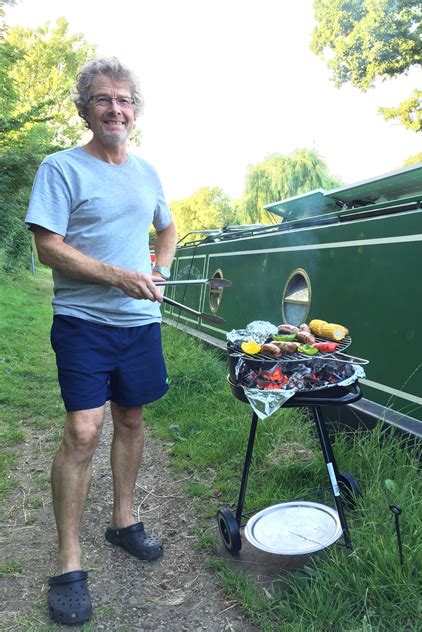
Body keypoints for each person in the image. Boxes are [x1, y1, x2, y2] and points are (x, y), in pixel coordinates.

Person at [25, 57, 177, 625]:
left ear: (135, 111)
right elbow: (48, 247)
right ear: (84, 108)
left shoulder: (147, 172)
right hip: (84, 322)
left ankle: (123, 522)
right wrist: (118, 276)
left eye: (125, 100)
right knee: (83, 430)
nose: (116, 109)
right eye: (104, 99)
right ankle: (68, 559)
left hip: (139, 325)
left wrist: (157, 267)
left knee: (133, 419)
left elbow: (167, 226)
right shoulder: (61, 168)